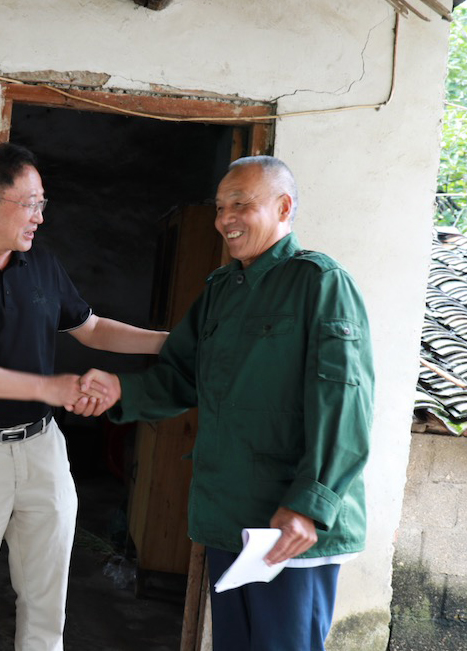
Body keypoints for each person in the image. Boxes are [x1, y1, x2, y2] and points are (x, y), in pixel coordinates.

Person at [79, 156, 374, 651]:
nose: (224, 219)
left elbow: (345, 403)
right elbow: (181, 376)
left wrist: (310, 505)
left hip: (290, 524)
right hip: (229, 516)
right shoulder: (221, 289)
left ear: (284, 208)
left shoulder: (320, 283)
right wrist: (121, 391)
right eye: (219, 207)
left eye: (240, 204)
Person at [0, 142, 168, 651]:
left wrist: (170, 342)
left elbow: (92, 328)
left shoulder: (42, 264)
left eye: (41, 203)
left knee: (48, 603)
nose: (39, 217)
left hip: (41, 449)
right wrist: (48, 387)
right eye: (29, 204)